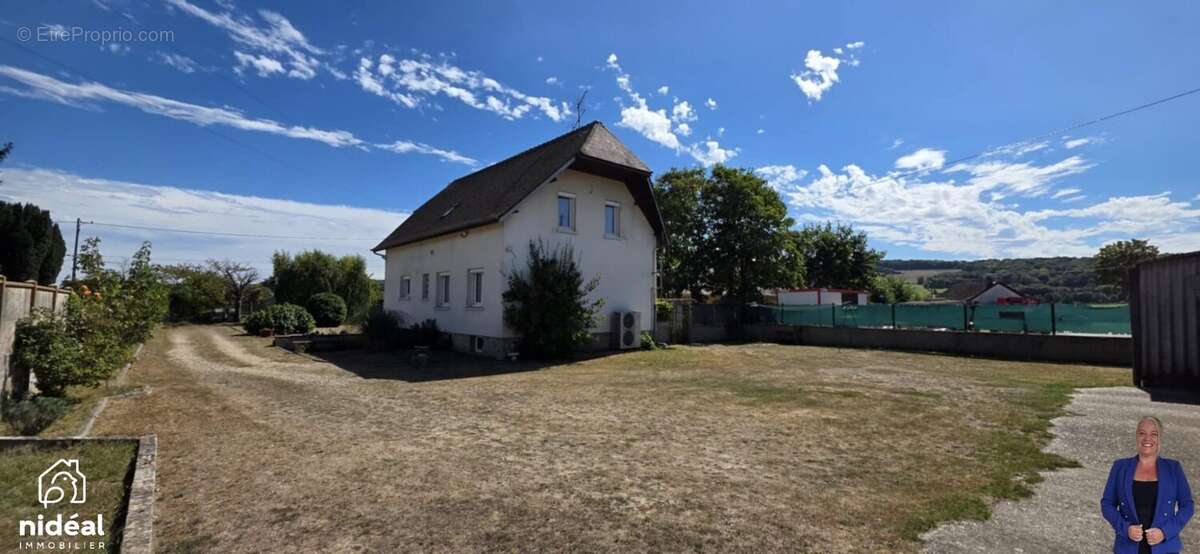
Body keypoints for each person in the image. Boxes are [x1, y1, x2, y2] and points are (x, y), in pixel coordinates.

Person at [1101, 416, 1194, 553]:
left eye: (1153, 434)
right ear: (1136, 436)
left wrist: (1165, 532)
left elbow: (1187, 506)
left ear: (1160, 438)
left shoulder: (1173, 468)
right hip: (1127, 548)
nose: (1147, 438)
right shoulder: (1120, 467)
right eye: (1142, 433)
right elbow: (1107, 504)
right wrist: (1125, 529)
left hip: (1164, 548)